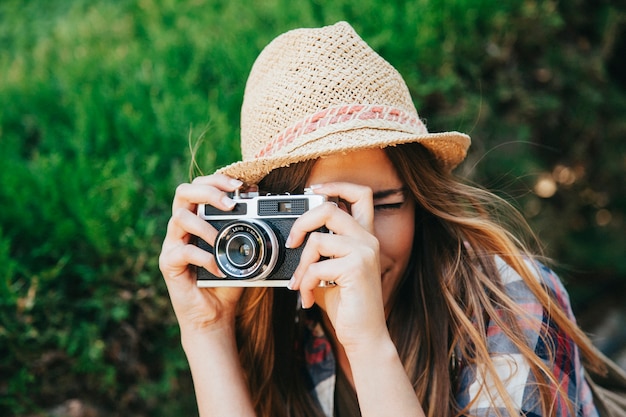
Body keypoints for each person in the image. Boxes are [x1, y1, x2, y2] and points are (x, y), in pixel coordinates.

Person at [159, 21, 604, 417]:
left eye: (384, 204)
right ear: (266, 220)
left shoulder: (508, 304)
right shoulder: (275, 319)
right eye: (323, 213)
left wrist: (367, 343)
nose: (358, 243)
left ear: (420, 200)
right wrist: (206, 333)